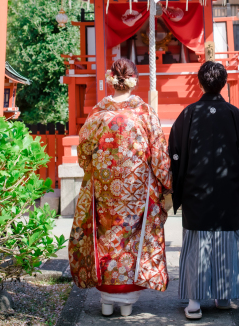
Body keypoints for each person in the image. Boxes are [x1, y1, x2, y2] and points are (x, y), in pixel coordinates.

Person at [68, 58, 172, 317]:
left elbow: (83, 153)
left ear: (111, 79)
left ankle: (105, 300)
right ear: (134, 80)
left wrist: (98, 171)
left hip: (104, 190)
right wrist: (167, 183)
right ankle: (127, 303)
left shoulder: (98, 112)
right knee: (131, 240)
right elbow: (158, 153)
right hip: (136, 189)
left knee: (106, 238)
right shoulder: (143, 112)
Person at [168, 61, 239, 320]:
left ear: (200, 83)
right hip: (230, 191)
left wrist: (176, 185)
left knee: (196, 243)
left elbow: (175, 154)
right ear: (223, 84)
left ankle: (194, 302)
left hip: (195, 191)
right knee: (227, 241)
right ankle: (224, 297)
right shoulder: (236, 115)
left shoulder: (188, 114)